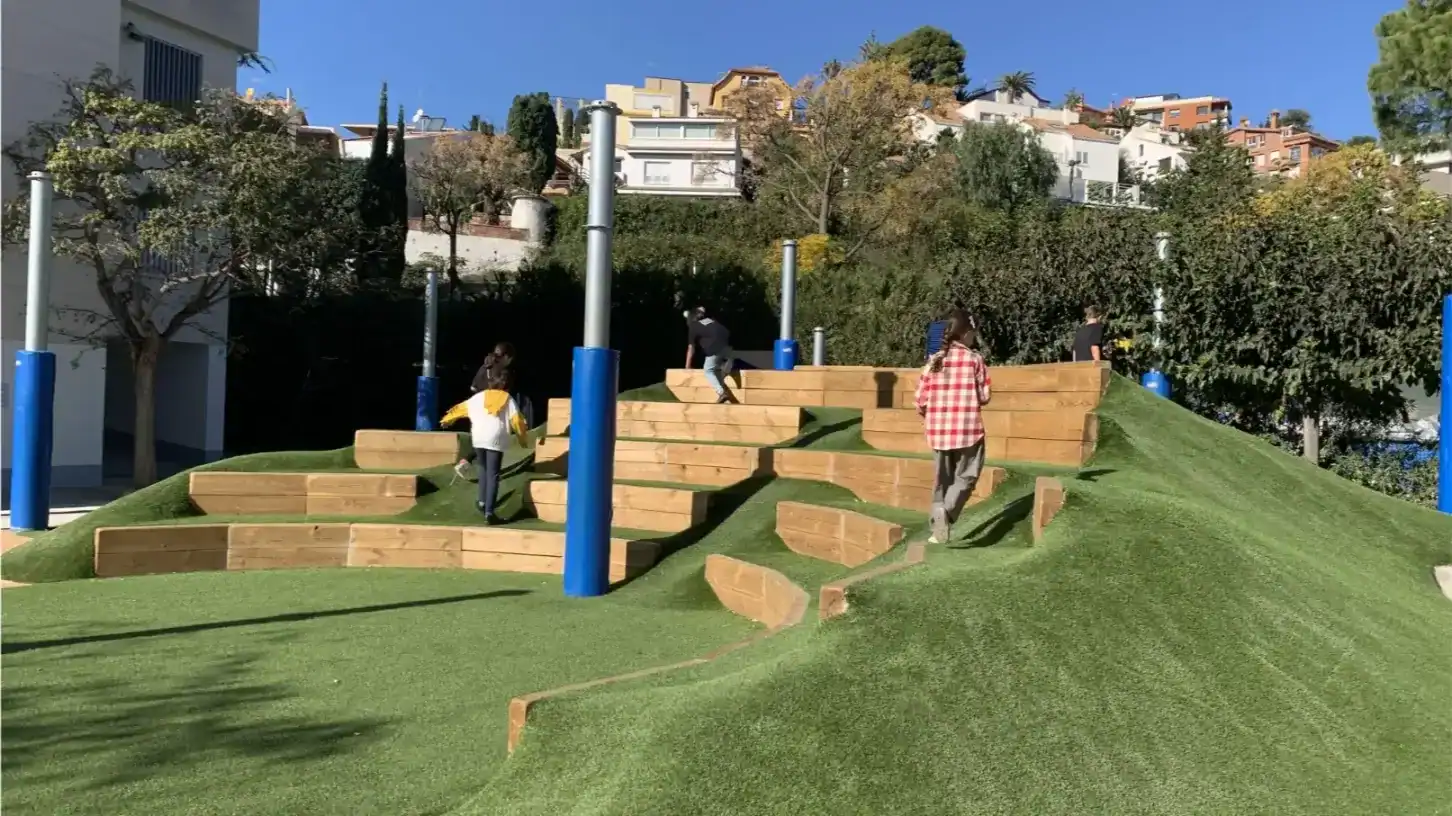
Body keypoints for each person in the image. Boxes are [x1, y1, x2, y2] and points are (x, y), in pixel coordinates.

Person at [915, 309, 992, 544]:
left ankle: (937, 528)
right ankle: (946, 513)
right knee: (967, 476)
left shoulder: (934, 361)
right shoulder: (975, 360)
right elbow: (985, 395)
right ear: (966, 333)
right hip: (968, 430)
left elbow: (920, 400)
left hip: (938, 432)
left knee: (942, 480)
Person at [447, 364, 529, 524]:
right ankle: (489, 512)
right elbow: (516, 420)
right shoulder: (508, 399)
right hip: (495, 438)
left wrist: (448, 419)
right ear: (507, 384)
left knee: (483, 469)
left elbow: (461, 408)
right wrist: (522, 438)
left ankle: (482, 501)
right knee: (493, 474)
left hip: (478, 437)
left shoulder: (479, 396)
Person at [684, 306, 735, 404]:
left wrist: (687, 366)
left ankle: (722, 393)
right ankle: (726, 400)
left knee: (708, 370)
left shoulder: (693, 326)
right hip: (729, 345)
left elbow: (691, 348)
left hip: (716, 347)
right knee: (716, 371)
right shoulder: (709, 320)